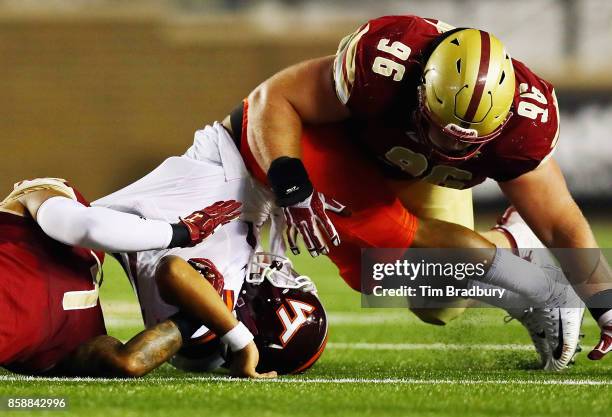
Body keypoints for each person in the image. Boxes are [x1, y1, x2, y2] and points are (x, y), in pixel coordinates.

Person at [221, 15, 609, 363]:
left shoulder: (524, 127)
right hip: (346, 152)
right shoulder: (385, 63)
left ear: (503, 120)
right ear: (423, 87)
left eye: (466, 142)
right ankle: (526, 269)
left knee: (438, 301)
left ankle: (514, 246)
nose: (452, 147)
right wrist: (293, 185)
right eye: (441, 129)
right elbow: (276, 97)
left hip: (421, 176)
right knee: (380, 269)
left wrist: (605, 305)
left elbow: (559, 222)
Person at [0, 177, 271, 378]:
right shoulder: (30, 208)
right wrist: (182, 233)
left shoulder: (69, 344)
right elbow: (88, 228)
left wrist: (208, 322)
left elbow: (128, 362)